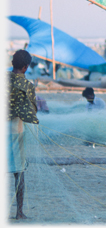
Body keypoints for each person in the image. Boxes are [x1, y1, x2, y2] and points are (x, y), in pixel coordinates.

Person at [8, 50, 40, 219]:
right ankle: (19, 212)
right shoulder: (27, 85)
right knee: (19, 173)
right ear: (26, 67)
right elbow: (32, 110)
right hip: (15, 131)